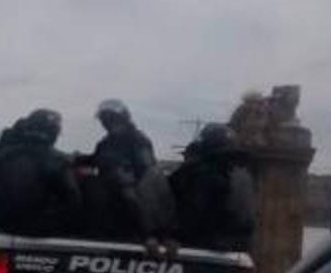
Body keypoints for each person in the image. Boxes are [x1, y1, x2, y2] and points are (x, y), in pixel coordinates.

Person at [0, 109, 82, 237]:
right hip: (37, 230)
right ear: (54, 133)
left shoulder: (0, 155)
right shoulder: (57, 161)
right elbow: (72, 201)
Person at [85, 99, 171, 242]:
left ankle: (147, 234)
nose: (107, 123)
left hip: (134, 195)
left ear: (123, 118)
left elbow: (148, 170)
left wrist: (127, 181)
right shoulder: (105, 143)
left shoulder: (138, 140)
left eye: (111, 119)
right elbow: (95, 159)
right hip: (108, 197)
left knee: (129, 196)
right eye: (104, 120)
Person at [169, 123, 256, 252]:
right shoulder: (242, 174)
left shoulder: (200, 173)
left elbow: (192, 215)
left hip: (198, 248)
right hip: (235, 250)